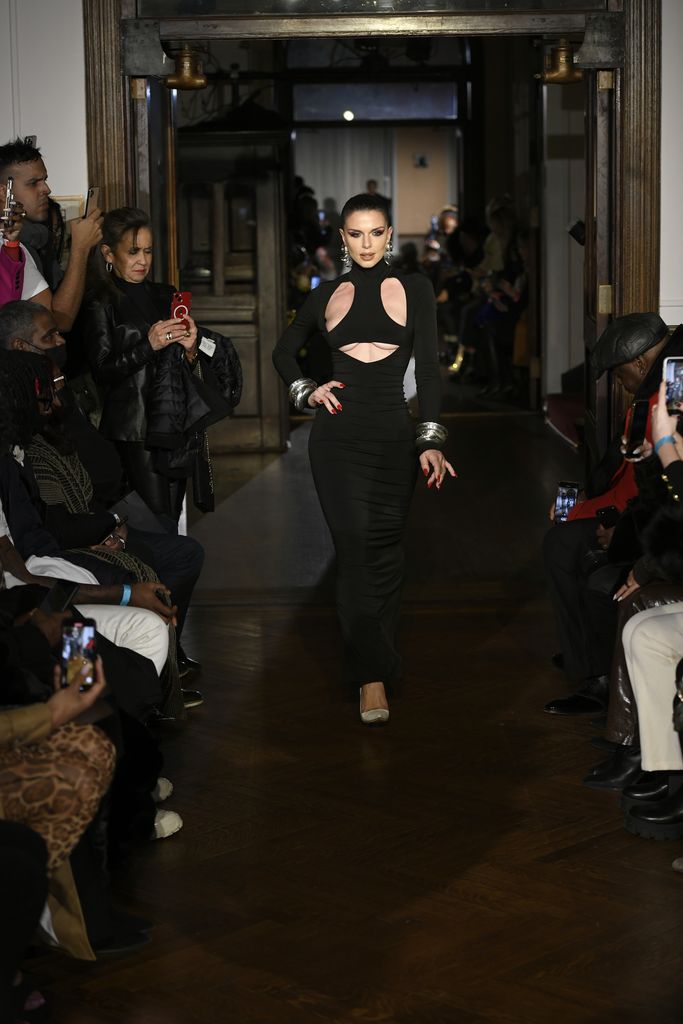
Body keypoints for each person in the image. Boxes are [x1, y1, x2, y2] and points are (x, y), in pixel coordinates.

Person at [273, 192, 455, 724]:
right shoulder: (325, 294)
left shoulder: (417, 288)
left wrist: (430, 439)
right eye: (356, 234)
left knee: (386, 554)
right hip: (337, 440)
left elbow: (429, 369)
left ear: (390, 234)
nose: (367, 243)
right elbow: (283, 352)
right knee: (354, 551)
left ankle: (377, 659)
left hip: (394, 437)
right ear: (343, 238)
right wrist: (306, 389)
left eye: (376, 232)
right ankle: (371, 678)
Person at [85, 207, 240, 526]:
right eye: (133, 251)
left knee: (172, 513)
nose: (142, 260)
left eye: (148, 250)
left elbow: (184, 363)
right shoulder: (99, 302)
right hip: (135, 429)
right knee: (156, 520)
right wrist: (149, 345)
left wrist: (191, 347)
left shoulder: (165, 294)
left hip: (174, 420)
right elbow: (101, 371)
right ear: (108, 253)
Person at [0, 138, 103, 330]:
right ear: (4, 192)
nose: (46, 189)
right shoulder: (10, 247)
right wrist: (80, 248)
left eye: (44, 180)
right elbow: (58, 323)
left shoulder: (20, 244)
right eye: (33, 183)